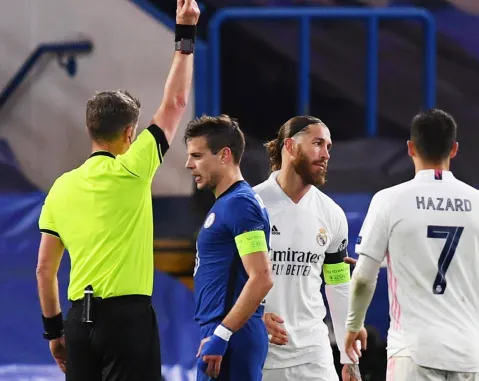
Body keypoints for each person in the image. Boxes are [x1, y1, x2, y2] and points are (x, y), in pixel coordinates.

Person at [35, 1, 199, 380]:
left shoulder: (60, 188)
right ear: (130, 134)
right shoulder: (133, 167)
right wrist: (185, 33)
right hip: (127, 320)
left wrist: (55, 332)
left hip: (78, 319)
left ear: (91, 130)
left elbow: (45, 270)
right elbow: (175, 103)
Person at [344, 109, 479, 381]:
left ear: (410, 148)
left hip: (414, 351)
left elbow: (363, 279)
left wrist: (354, 325)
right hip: (466, 354)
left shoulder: (389, 200)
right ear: (454, 150)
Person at [254, 116, 364, 381]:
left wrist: (349, 359)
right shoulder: (252, 205)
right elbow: (226, 277)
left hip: (314, 353)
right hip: (261, 351)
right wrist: (253, 317)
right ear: (290, 146)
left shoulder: (332, 214)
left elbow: (337, 283)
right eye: (318, 144)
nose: (326, 154)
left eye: (328, 147)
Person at [185, 114, 274, 381]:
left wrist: (222, 334)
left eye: (197, 156)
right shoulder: (230, 204)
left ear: (224, 155)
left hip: (229, 337)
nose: (189, 164)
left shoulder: (240, 204)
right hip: (225, 332)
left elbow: (261, 277)